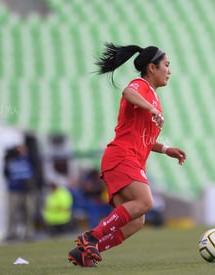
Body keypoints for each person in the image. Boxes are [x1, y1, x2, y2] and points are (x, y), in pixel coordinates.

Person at [68, 43, 186, 267]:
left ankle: (84, 252)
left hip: (126, 159)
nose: (169, 70)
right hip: (121, 157)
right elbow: (127, 92)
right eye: (166, 65)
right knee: (144, 202)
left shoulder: (153, 97)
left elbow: (143, 138)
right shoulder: (140, 85)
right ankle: (90, 237)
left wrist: (165, 149)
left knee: (136, 221)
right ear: (152, 68)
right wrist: (150, 110)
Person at [3, 145, 36, 241]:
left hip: (28, 189)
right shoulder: (11, 159)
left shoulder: (29, 159)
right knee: (12, 212)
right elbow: (6, 171)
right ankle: (11, 233)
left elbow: (37, 165)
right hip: (14, 189)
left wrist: (32, 182)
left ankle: (28, 232)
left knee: (29, 211)